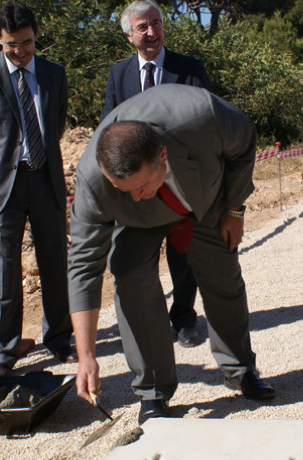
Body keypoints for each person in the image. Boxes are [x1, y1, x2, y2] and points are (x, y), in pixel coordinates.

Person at [68, 84, 275, 424]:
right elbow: (83, 268)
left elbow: (244, 142)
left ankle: (240, 369)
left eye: (140, 187)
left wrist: (234, 208)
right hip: (139, 224)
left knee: (223, 277)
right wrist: (86, 355)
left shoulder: (203, 115)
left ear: (162, 155)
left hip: (203, 199)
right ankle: (153, 392)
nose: (135, 196)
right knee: (129, 275)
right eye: (124, 190)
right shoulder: (93, 181)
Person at [0, 3, 76, 379]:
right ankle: (3, 352)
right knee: (5, 271)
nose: (20, 51)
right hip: (2, 187)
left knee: (55, 264)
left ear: (36, 34)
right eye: (11, 45)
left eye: (26, 42)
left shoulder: (54, 74)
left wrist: (37, 156)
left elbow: (55, 123)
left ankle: (59, 338)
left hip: (45, 179)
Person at [100, 0, 212, 348]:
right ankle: (150, 321)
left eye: (156, 23)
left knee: (183, 255)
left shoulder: (189, 68)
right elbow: (109, 124)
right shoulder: (119, 75)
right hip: (137, 188)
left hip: (179, 184)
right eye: (142, 27)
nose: (151, 33)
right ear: (128, 34)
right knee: (140, 257)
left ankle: (184, 319)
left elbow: (206, 121)